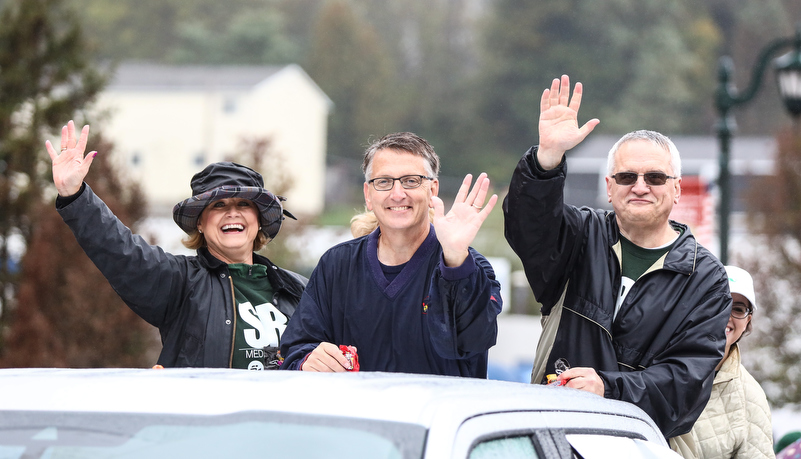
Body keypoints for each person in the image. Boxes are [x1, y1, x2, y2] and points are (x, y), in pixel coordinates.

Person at [503, 75, 731, 438]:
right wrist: (546, 159)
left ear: (676, 189)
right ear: (609, 188)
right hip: (552, 435)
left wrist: (606, 388)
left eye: (655, 177)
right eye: (626, 176)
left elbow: (687, 384)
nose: (640, 186)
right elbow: (526, 227)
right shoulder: (579, 234)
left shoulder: (706, 278)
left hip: (632, 445)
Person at [46, 120, 307, 369]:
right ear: (200, 223)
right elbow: (120, 250)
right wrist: (75, 195)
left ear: (259, 220)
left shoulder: (300, 290)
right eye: (219, 205)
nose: (232, 213)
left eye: (243, 204)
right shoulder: (179, 282)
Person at [279, 132, 502, 377]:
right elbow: (294, 350)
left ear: (433, 190)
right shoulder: (337, 265)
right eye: (384, 181)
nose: (397, 194)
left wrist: (455, 260)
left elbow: (472, 341)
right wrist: (308, 360)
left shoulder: (470, 267)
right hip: (360, 414)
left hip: (438, 415)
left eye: (411, 181)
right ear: (368, 194)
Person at [671, 266, 774, 458]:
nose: (725, 316)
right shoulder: (655, 362)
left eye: (738, 309)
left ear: (747, 321)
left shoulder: (751, 396)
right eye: (718, 302)